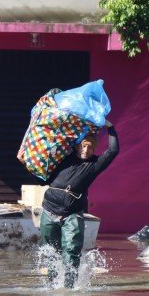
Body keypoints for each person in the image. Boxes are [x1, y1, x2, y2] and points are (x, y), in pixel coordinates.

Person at [40, 120, 119, 287]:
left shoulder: (94, 165)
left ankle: (70, 287)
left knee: (71, 251)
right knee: (50, 252)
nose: (86, 150)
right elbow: (56, 142)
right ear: (77, 146)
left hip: (72, 214)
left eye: (90, 147)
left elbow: (113, 150)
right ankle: (53, 286)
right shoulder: (65, 157)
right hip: (49, 210)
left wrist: (110, 127)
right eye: (83, 146)